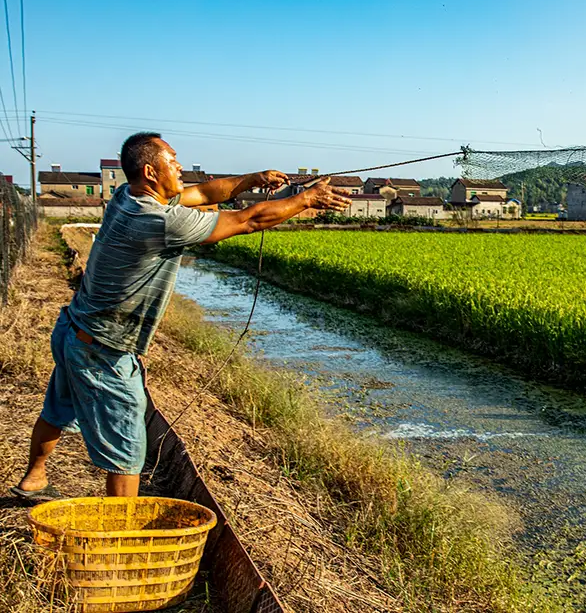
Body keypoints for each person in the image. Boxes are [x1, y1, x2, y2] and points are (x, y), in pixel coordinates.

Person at [12, 132, 351, 498]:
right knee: (127, 451)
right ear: (150, 171)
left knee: (58, 410)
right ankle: (120, 537)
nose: (181, 167)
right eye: (173, 161)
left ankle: (34, 479)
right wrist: (307, 199)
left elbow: (205, 194)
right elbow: (247, 221)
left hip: (73, 330)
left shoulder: (127, 196)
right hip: (103, 351)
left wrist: (254, 179)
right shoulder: (157, 221)